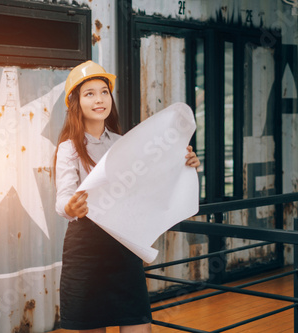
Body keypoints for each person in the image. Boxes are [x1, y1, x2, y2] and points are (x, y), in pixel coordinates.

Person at [54, 60, 200, 333]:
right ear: (75, 102)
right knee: (90, 326)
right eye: (90, 93)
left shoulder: (123, 143)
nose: (100, 99)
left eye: (104, 92)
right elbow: (62, 198)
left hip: (124, 243)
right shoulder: (69, 148)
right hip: (86, 249)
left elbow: (150, 181)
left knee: (138, 325)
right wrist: (71, 207)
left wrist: (183, 161)